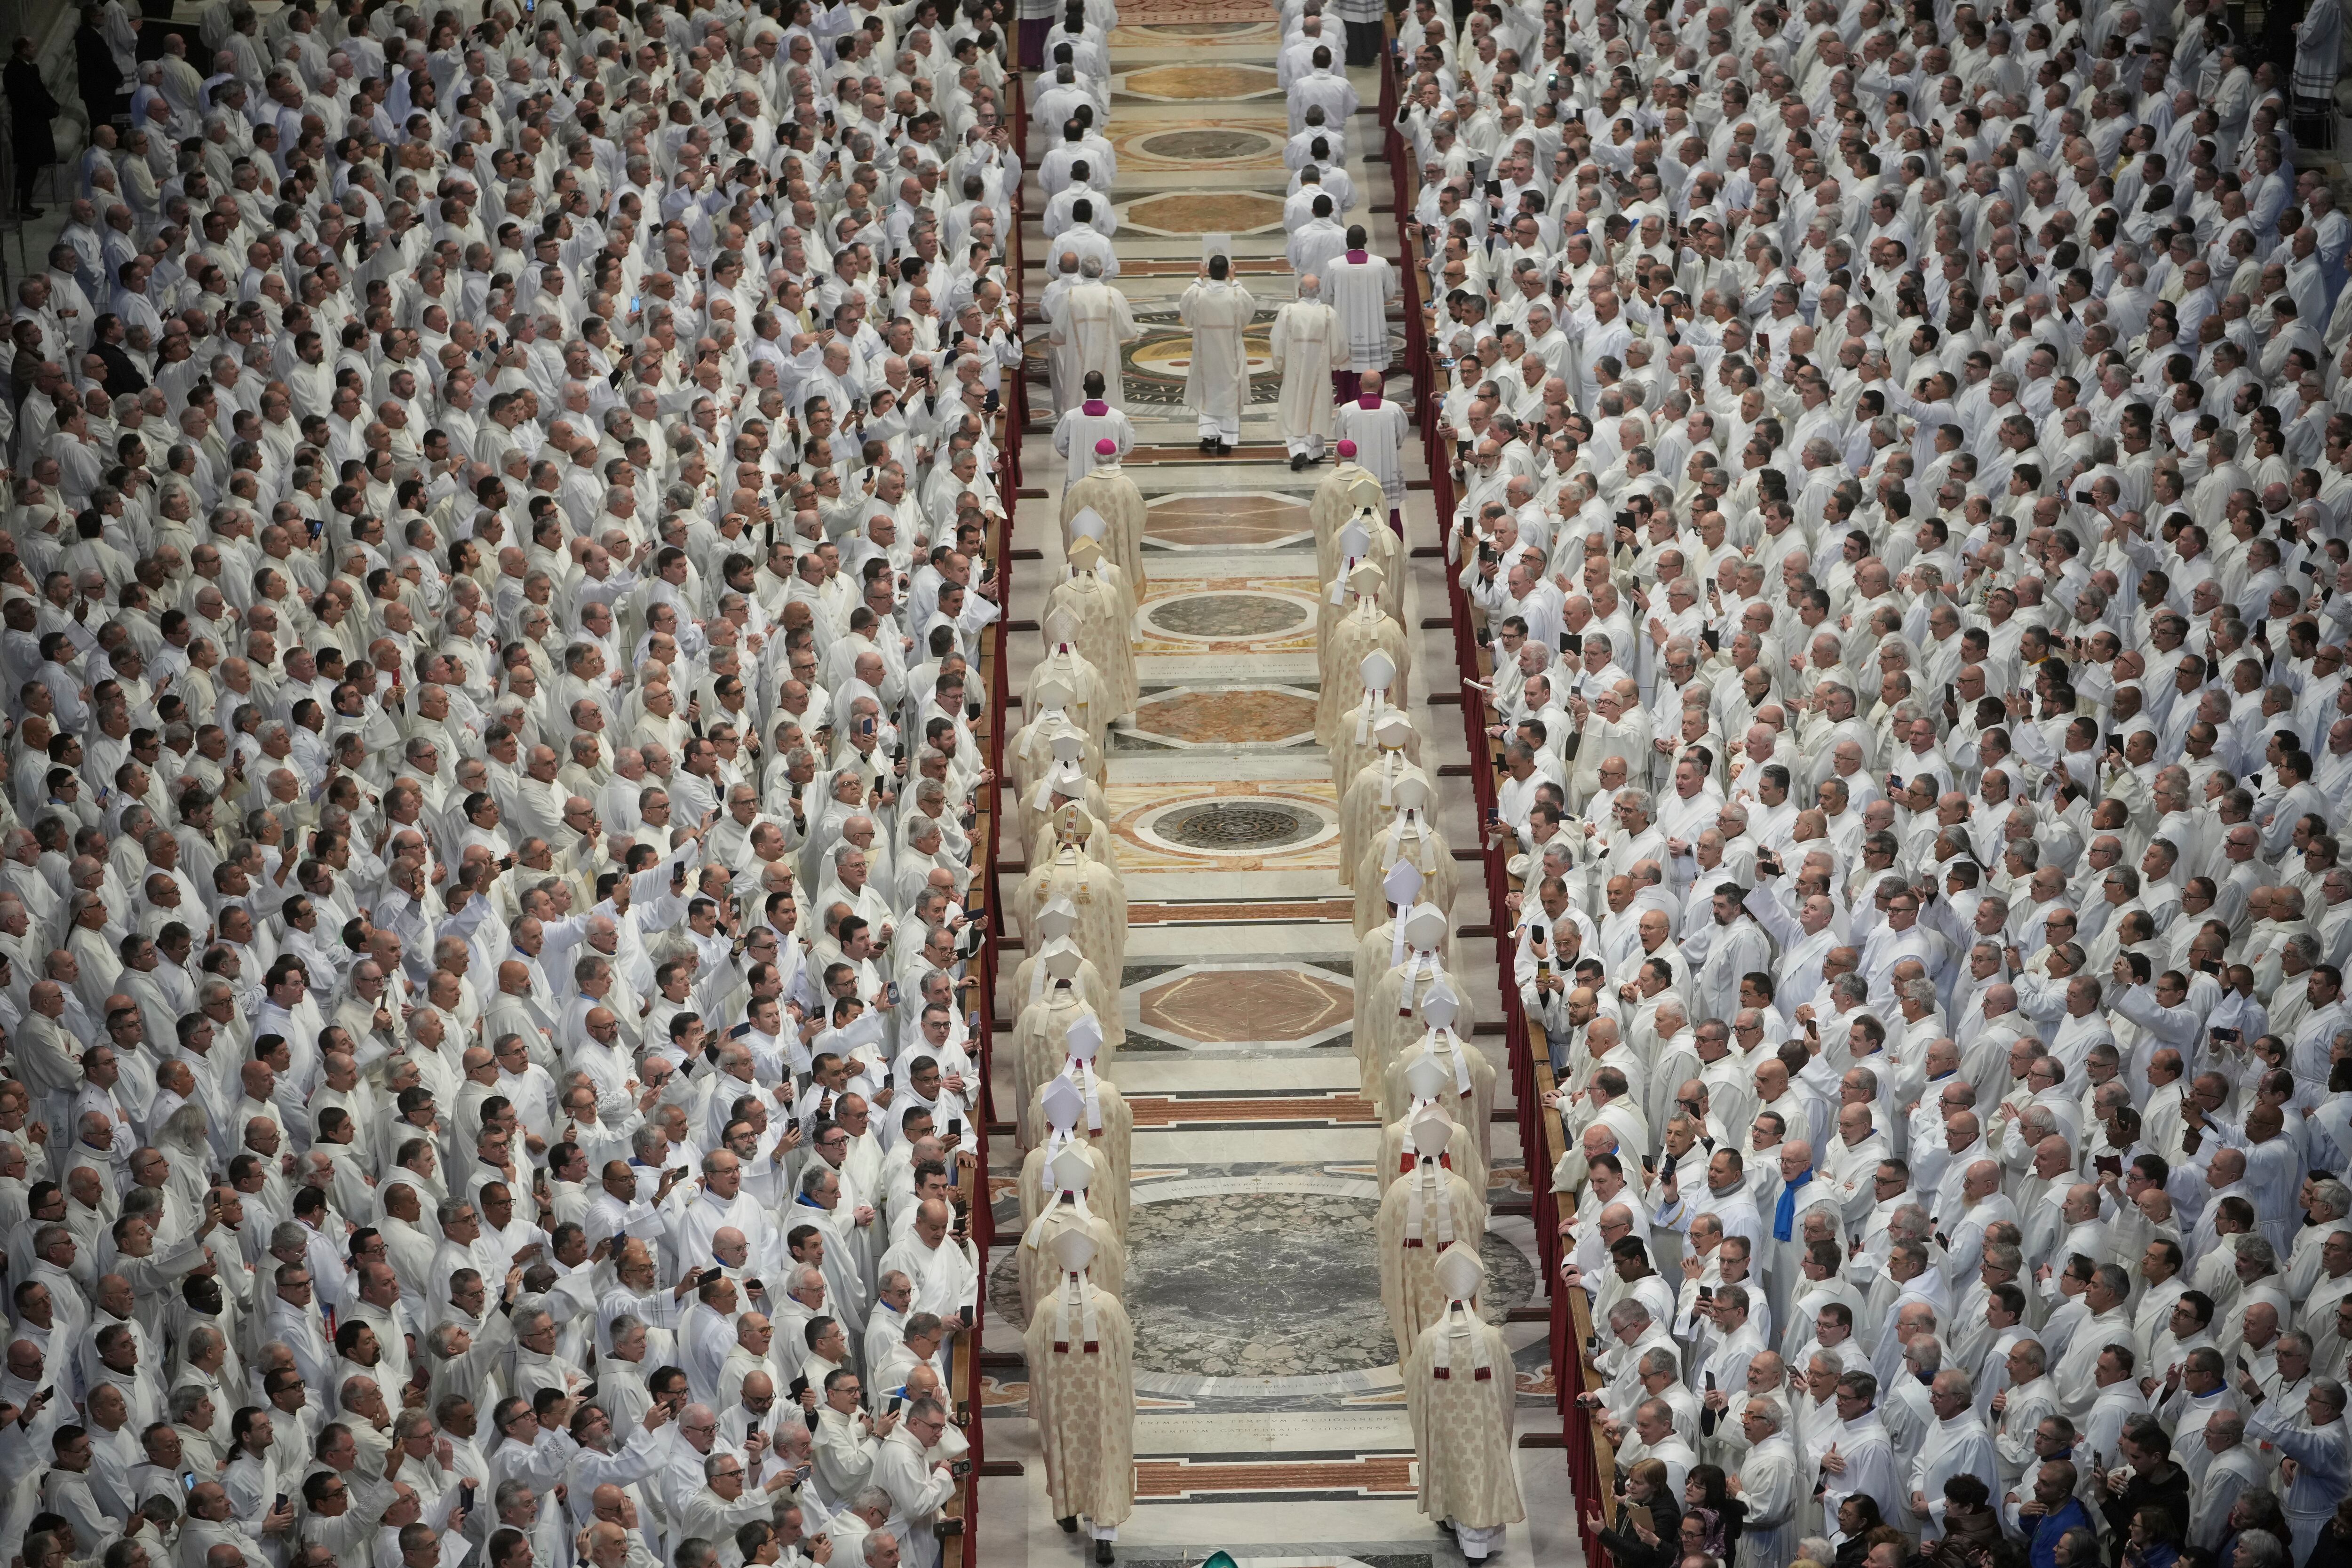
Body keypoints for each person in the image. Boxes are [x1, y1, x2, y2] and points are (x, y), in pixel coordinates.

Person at [5, 38, 59, 217]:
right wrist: (49, 110)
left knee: (33, 164)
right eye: (32, 46)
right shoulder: (16, 70)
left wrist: (53, 106)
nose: (35, 49)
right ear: (24, 50)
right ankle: (21, 205)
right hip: (28, 125)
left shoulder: (27, 67)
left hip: (35, 123)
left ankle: (25, 203)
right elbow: (30, 97)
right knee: (27, 165)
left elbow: (41, 91)